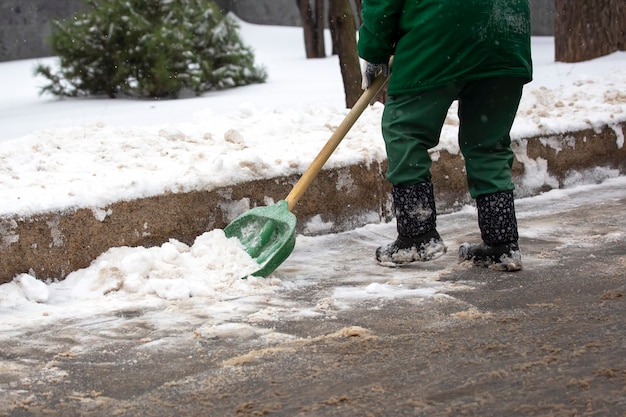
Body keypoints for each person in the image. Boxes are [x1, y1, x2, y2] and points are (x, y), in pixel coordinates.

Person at [358, 0, 533, 271]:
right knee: (489, 143)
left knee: (405, 130)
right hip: (505, 34)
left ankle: (417, 236)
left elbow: (381, 4)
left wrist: (374, 50)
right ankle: (502, 243)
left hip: (440, 31)